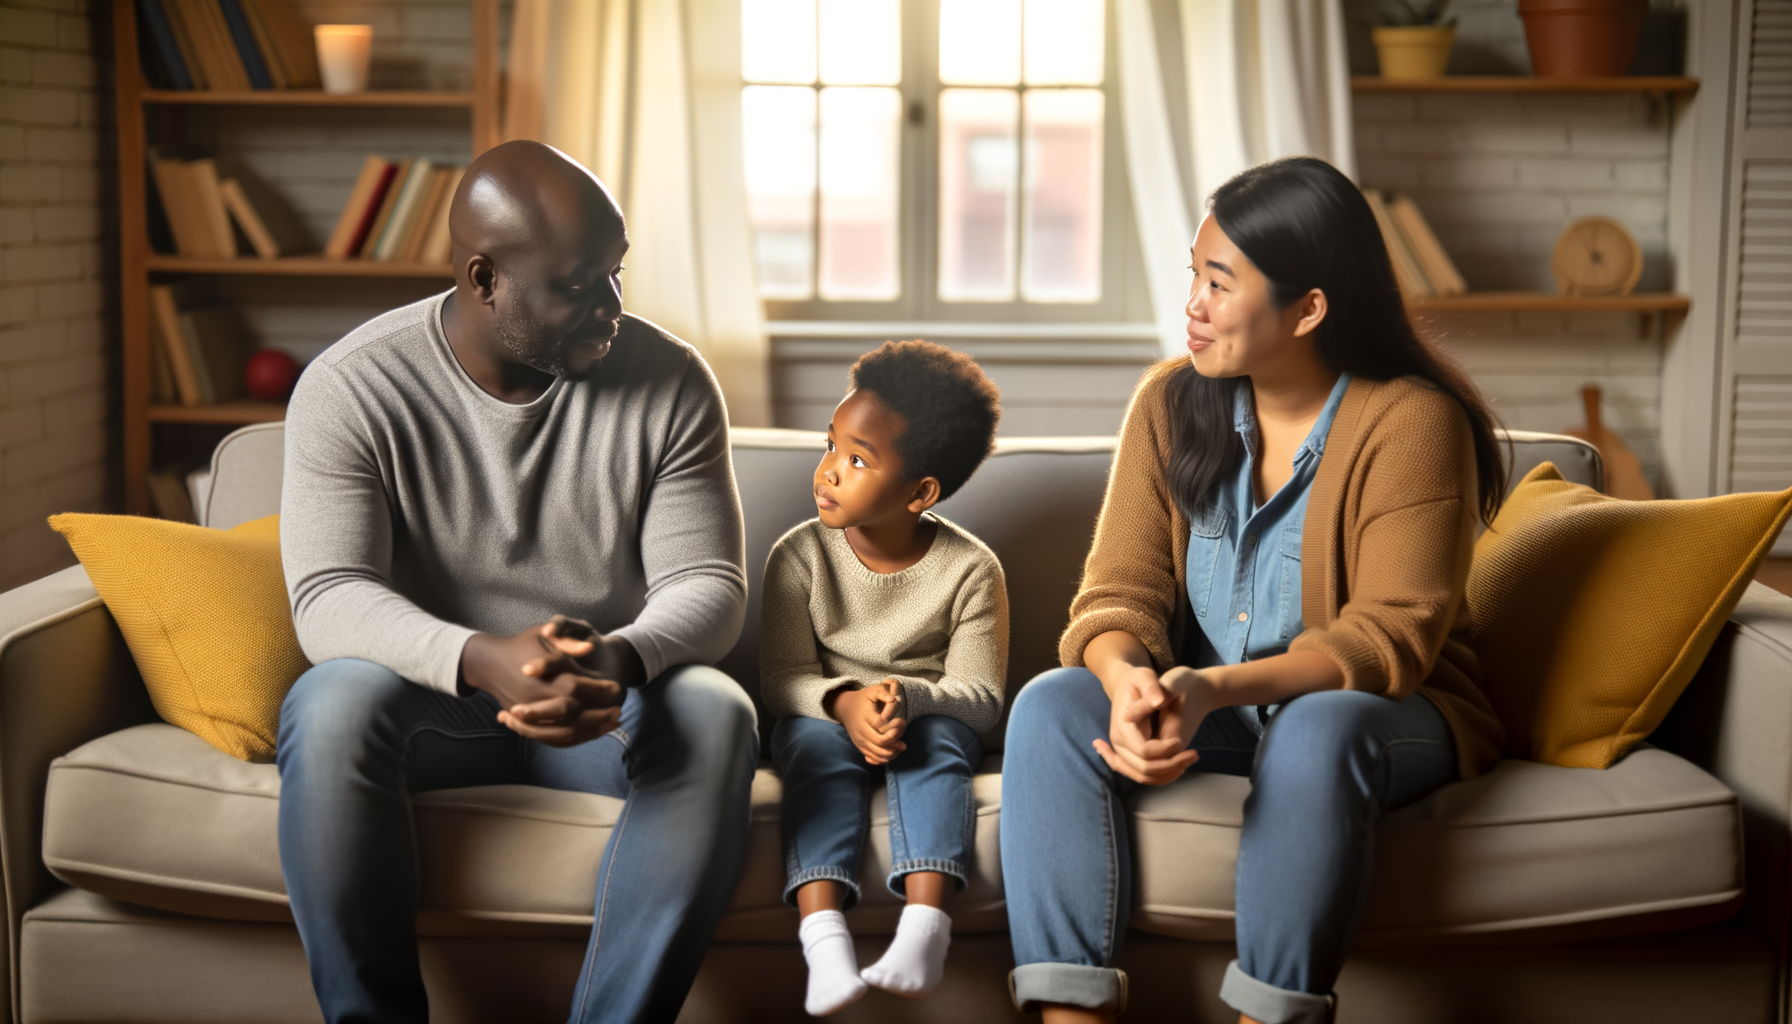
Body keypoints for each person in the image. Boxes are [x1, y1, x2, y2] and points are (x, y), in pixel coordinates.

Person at [1000, 157, 1511, 1024]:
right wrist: (1130, 683)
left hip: (1386, 712)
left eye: (1220, 283)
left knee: (1315, 727)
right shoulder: (1170, 402)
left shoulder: (1410, 421)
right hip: (1221, 711)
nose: (1192, 304)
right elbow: (1115, 596)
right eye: (1193, 274)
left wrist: (1209, 689)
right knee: (1052, 705)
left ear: (1308, 308)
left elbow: (1389, 640)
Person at [277, 140, 759, 1024]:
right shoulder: (351, 386)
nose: (613, 307)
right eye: (578, 286)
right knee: (331, 700)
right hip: (432, 704)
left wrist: (619, 657)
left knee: (716, 710)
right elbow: (329, 596)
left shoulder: (673, 380)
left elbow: (709, 583)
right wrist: (479, 656)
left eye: (617, 273)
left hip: (598, 703)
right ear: (482, 278)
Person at [760, 341, 1008, 1016]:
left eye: (858, 459)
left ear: (920, 492)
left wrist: (912, 701)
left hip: (924, 717)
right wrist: (842, 704)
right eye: (831, 445)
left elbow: (982, 701)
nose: (829, 472)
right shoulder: (799, 554)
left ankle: (924, 928)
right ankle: (824, 938)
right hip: (825, 718)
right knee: (813, 751)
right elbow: (781, 680)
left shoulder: (972, 570)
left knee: (939, 751)